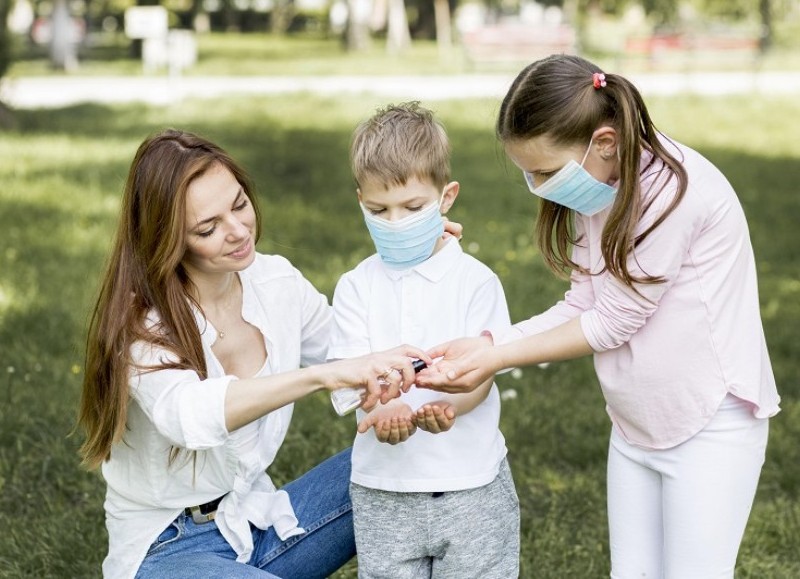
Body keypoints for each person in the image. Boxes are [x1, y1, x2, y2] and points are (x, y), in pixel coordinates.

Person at [415, 55, 781, 578]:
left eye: (543, 171)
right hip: (636, 422)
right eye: (527, 171)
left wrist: (495, 358)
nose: (536, 184)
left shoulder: (672, 195)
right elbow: (584, 303)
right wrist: (489, 341)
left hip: (708, 423)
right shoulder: (604, 182)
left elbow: (612, 323)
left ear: (603, 141)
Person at [77, 128, 435, 579]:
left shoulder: (276, 281)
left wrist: (423, 257)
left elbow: (357, 351)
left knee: (407, 457)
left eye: (240, 205)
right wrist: (322, 377)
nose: (238, 231)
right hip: (169, 550)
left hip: (258, 521)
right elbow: (192, 418)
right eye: (208, 228)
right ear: (169, 239)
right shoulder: (143, 324)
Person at [328, 102, 520, 578]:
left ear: (445, 196)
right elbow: (348, 379)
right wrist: (378, 407)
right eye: (378, 209)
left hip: (471, 483)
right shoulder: (356, 286)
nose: (395, 222)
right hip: (383, 489)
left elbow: (483, 372)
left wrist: (455, 405)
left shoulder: (476, 282)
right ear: (360, 201)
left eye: (413, 208)